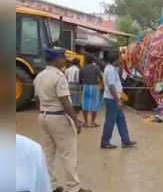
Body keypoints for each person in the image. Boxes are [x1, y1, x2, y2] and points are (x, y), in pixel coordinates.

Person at [33, 48, 90, 192]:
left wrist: (42, 113)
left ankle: (50, 186)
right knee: (69, 154)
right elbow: (65, 101)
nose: (65, 61)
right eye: (63, 58)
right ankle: (73, 188)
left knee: (48, 153)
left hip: (43, 116)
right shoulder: (59, 77)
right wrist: (76, 120)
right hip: (58, 117)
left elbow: (37, 100)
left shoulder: (39, 76)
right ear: (55, 60)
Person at [101, 52, 136, 149]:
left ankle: (126, 141)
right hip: (112, 99)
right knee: (110, 121)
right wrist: (117, 100)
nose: (121, 60)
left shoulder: (111, 68)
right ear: (115, 59)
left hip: (113, 98)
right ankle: (105, 142)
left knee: (121, 119)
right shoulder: (111, 70)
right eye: (120, 58)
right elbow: (112, 86)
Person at [79, 57, 102, 128]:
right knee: (94, 105)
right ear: (92, 62)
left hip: (86, 87)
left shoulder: (82, 68)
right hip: (95, 87)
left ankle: (86, 123)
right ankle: (92, 123)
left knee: (85, 105)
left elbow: (80, 79)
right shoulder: (96, 68)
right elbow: (101, 77)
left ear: (85, 62)